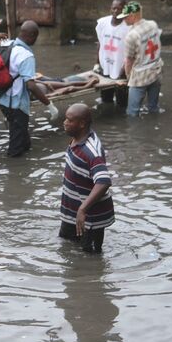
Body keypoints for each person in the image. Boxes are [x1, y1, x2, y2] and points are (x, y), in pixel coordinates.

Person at [59, 103, 115, 254]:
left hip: (89, 218)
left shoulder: (91, 151)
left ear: (82, 124)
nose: (64, 122)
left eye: (69, 120)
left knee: (90, 259)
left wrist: (83, 209)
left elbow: (104, 181)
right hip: (73, 212)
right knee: (65, 246)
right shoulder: (76, 139)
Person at [0, 20, 52, 157]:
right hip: (16, 105)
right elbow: (31, 85)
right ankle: (14, 174)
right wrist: (49, 104)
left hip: (4, 101)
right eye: (36, 37)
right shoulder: (26, 55)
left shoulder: (7, 44)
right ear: (32, 36)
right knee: (15, 149)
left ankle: (25, 162)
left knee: (23, 140)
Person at [118, 1, 163, 116]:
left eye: (125, 17)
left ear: (132, 16)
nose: (124, 20)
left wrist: (128, 78)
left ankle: (135, 133)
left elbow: (129, 61)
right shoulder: (153, 24)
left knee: (132, 112)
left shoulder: (131, 36)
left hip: (139, 77)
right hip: (156, 71)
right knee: (153, 108)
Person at [95, 0, 129, 107]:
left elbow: (132, 52)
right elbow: (100, 43)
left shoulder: (129, 28)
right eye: (114, 8)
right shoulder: (102, 23)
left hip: (121, 71)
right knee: (106, 101)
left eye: (119, 9)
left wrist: (124, 71)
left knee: (122, 104)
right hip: (106, 69)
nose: (116, 11)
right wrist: (97, 63)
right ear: (110, 9)